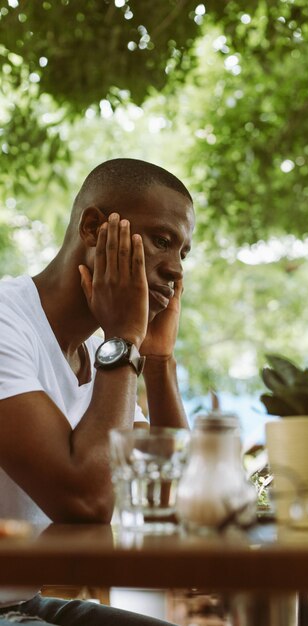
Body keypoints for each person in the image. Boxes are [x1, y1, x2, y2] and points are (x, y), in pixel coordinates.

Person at [0, 158, 195, 625]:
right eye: (161, 241)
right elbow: (85, 502)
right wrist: (125, 342)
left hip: (19, 602)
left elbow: (172, 493)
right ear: (93, 227)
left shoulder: (99, 350)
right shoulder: (8, 323)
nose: (174, 270)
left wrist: (159, 361)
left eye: (183, 253)